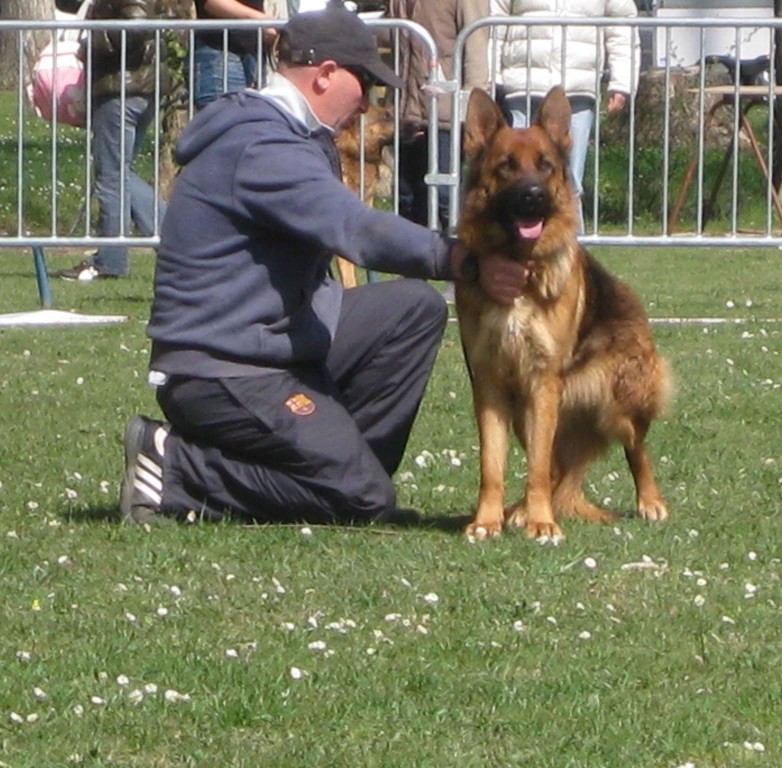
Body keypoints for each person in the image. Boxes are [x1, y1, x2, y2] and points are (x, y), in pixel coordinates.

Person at [118, 2, 529, 526]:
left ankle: (344, 475)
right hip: (224, 371)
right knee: (365, 498)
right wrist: (460, 258)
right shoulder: (262, 144)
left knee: (413, 309)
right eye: (365, 83)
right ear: (326, 74)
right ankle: (173, 466)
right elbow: (354, 227)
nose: (367, 103)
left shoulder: (291, 132)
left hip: (274, 344)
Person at [490, 0, 638, 227]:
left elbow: (622, 26)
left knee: (570, 179)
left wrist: (622, 82)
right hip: (522, 84)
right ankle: (514, 236)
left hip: (578, 88)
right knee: (516, 171)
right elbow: (495, 21)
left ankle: (571, 240)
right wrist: (492, 76)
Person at [59, 0, 166, 281]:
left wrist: (92, 43)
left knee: (111, 177)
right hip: (134, 87)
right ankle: (174, 241)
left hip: (122, 89)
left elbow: (136, 27)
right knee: (120, 173)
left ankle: (111, 261)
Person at [386, 0, 489, 232]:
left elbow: (476, 46)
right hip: (406, 111)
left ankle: (457, 252)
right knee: (406, 197)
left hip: (445, 113)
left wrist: (470, 108)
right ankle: (411, 255)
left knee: (444, 198)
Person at [191, 0, 279, 110]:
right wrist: (263, 20)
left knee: (255, 117)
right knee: (223, 116)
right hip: (218, 51)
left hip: (254, 54)